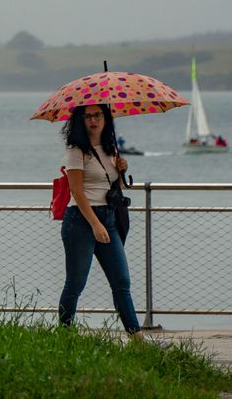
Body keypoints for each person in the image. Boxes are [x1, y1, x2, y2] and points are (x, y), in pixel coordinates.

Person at [58, 104, 141, 338]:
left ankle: (136, 337)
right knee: (75, 283)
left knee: (121, 281)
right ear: (80, 120)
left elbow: (116, 187)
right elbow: (77, 191)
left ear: (106, 118)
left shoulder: (111, 147)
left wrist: (123, 169)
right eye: (88, 116)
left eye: (98, 115)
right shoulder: (76, 150)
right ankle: (64, 334)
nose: (93, 120)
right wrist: (95, 224)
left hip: (110, 217)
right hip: (81, 220)